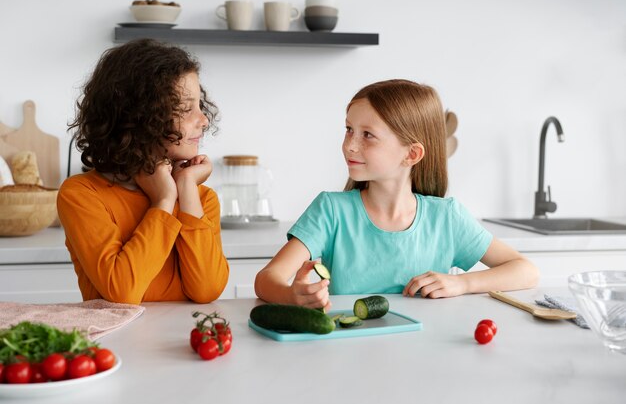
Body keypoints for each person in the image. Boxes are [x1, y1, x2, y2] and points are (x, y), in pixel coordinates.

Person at [255, 79, 539, 311]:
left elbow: (525, 271)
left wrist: (461, 284)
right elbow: (267, 279)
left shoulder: (446, 217)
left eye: (368, 135)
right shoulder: (331, 211)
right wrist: (293, 296)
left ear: (412, 154)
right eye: (349, 130)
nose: (350, 146)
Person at [58, 39, 229, 304]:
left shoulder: (201, 198)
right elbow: (123, 292)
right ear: (139, 117)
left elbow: (207, 290)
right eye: (186, 108)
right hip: (115, 343)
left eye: (200, 106)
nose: (204, 120)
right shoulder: (82, 195)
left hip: (185, 343)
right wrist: (163, 200)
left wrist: (184, 189)